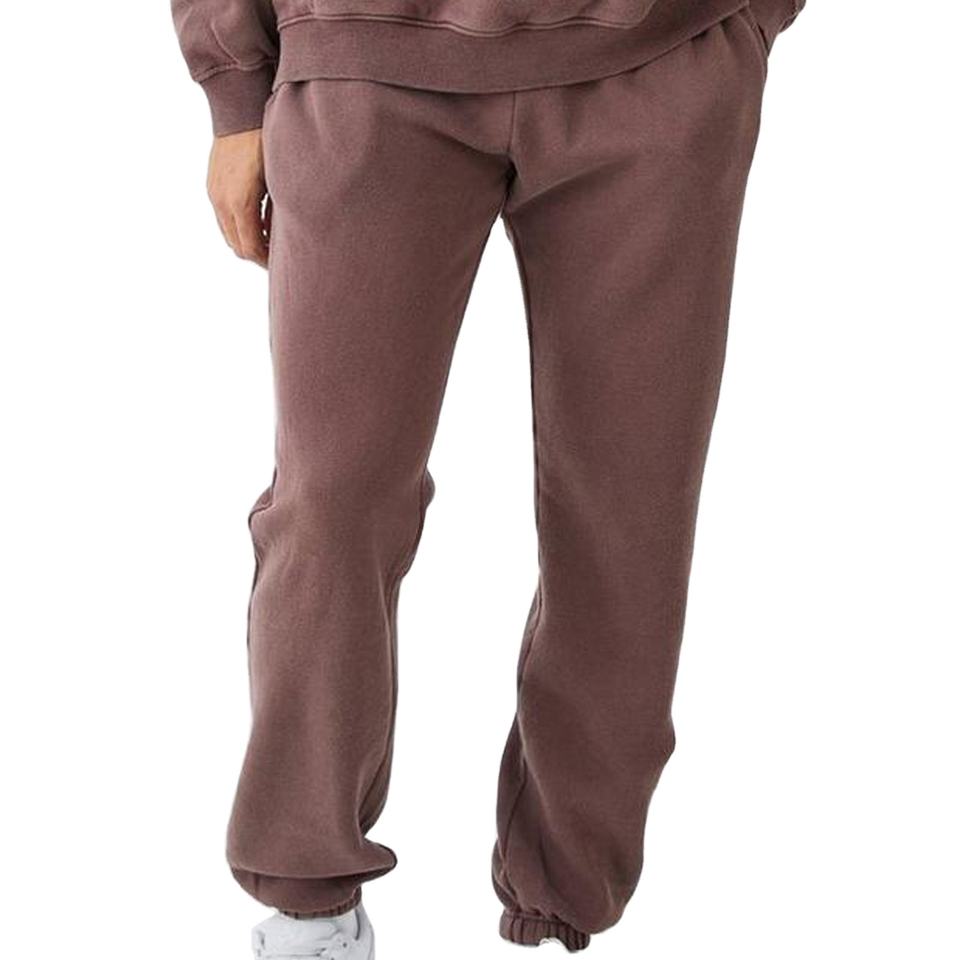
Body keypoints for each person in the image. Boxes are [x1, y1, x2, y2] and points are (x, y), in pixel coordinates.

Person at [172, 1, 805, 956]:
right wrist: (233, 82)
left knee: (629, 517)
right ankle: (307, 906)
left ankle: (564, 906)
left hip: (660, 56)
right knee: (332, 504)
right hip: (361, 62)